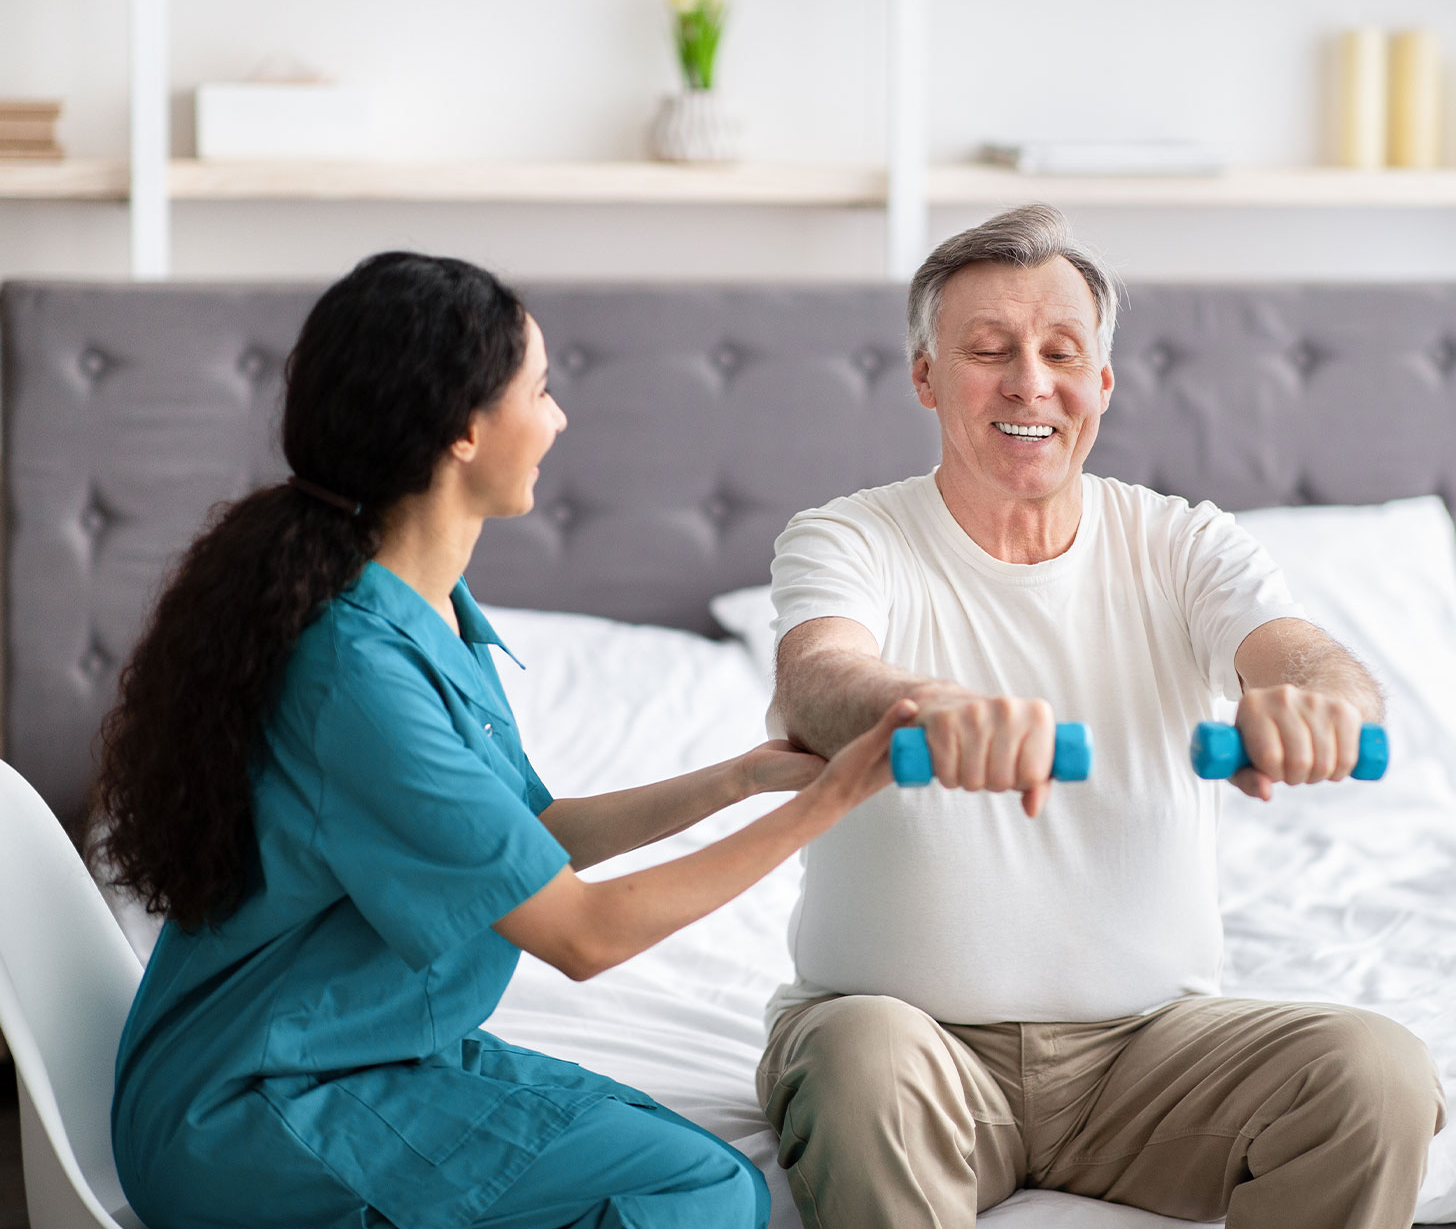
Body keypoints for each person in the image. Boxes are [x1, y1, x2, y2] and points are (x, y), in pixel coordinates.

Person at [92, 251, 913, 1229]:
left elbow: (529, 832)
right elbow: (580, 931)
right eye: (544, 389)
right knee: (700, 1190)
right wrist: (825, 804)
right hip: (255, 1111)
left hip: (369, 1052)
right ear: (465, 431)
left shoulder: (427, 611)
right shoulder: (357, 668)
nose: (560, 419)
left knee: (699, 1156)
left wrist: (739, 778)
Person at [757, 205, 1446, 1229]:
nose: (1029, 381)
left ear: (1103, 384)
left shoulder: (1183, 543)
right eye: (989, 350)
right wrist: (929, 706)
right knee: (860, 1054)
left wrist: (1321, 702)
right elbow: (817, 674)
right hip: (909, 1042)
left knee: (1377, 1070)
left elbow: (1297, 652)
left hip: (1147, 1055)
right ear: (926, 377)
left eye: (1060, 351)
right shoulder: (847, 537)